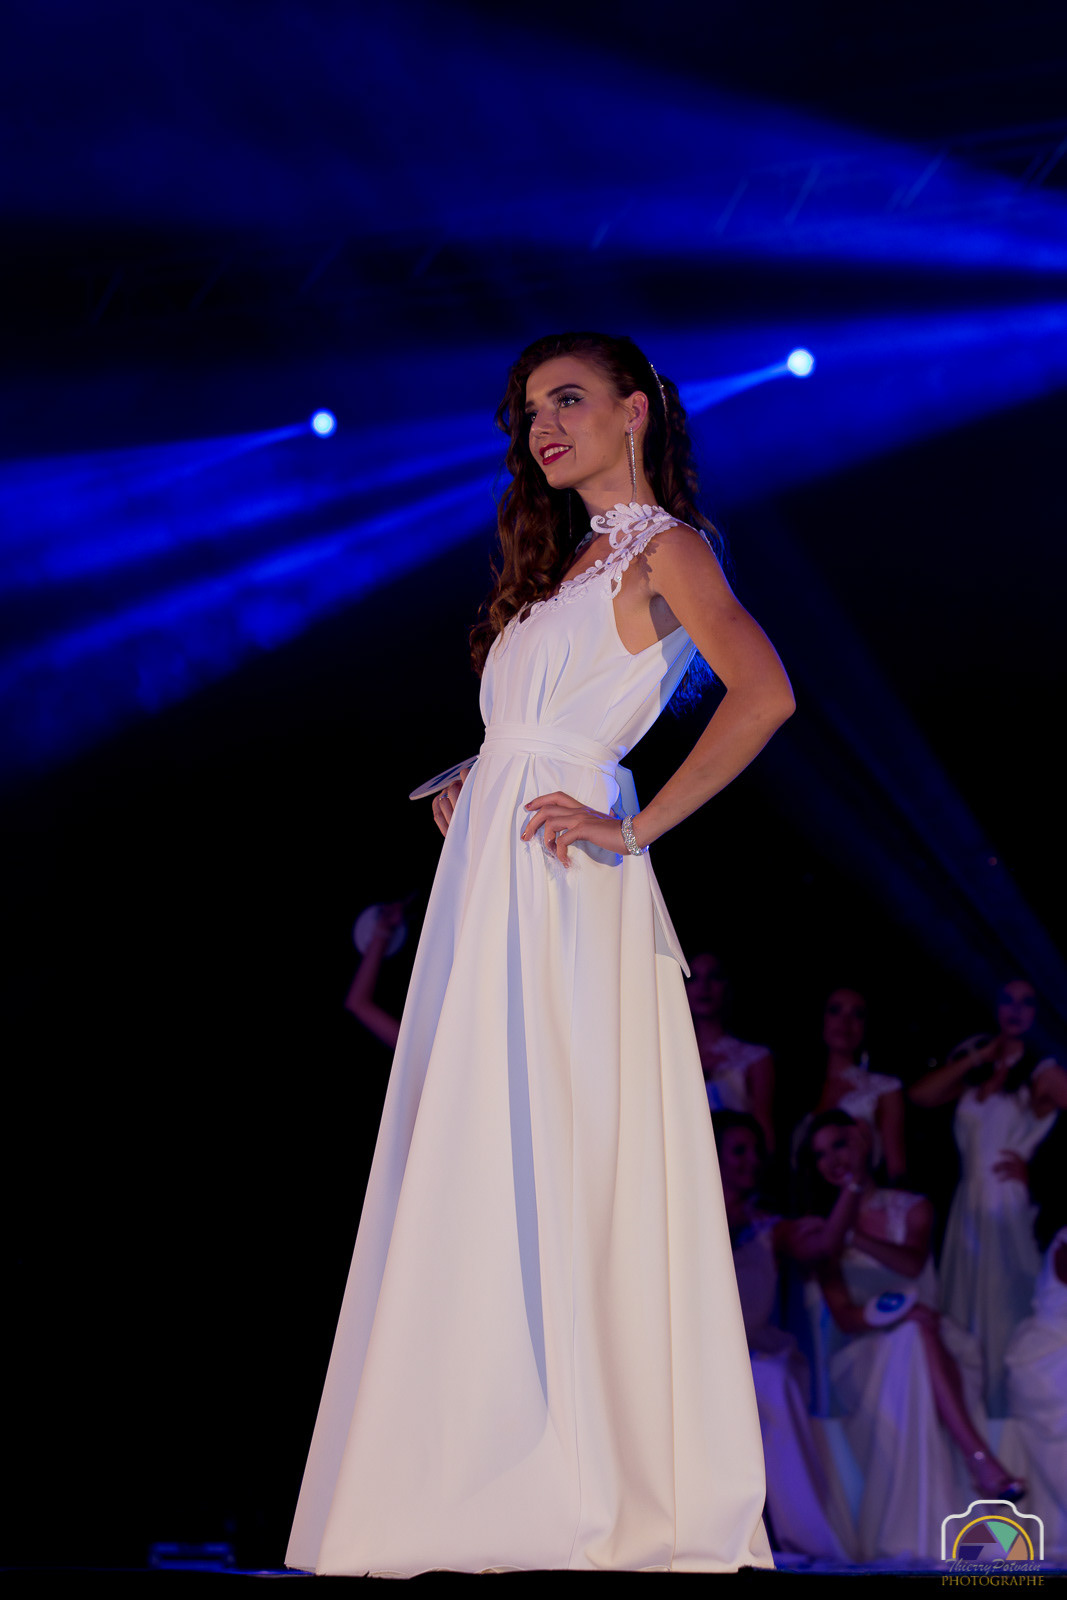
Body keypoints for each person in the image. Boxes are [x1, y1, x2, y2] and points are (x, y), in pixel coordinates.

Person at [286, 331, 796, 1575]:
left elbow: (765, 694)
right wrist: (478, 773)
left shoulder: (666, 546)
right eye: (527, 410)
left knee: (562, 1147)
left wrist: (634, 826)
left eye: (567, 399)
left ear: (637, 410)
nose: (542, 426)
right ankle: (474, 1473)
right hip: (496, 880)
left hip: (569, 889)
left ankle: (582, 1485)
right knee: (487, 1143)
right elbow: (543, 726)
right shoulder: (565, 566)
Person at [798, 1111, 1024, 1563]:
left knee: (916, 1338)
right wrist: (898, 1314)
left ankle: (967, 1477)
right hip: (861, 1355)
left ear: (863, 1142)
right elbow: (845, 1318)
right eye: (820, 1154)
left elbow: (910, 1264)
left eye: (839, 1144)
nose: (833, 1159)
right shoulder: (815, 1230)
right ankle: (979, 1458)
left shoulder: (913, 1207)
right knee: (910, 1337)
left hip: (935, 1342)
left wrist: (850, 1234)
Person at [909, 978, 1061, 1414]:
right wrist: (980, 1056)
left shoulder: (1043, 1071)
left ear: (1039, 1012)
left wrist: (1041, 1177)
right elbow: (920, 1096)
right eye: (1007, 1000)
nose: (1016, 1009)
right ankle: (972, 1413)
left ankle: (1011, 1415)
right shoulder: (976, 1065)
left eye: (1027, 1002)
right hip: (967, 1206)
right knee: (966, 1310)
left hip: (1008, 1204)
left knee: (1006, 1304)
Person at [712, 1111, 854, 1561]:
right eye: (739, 1150)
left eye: (756, 1151)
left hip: (754, 1351)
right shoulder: (681, 1218)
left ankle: (806, 1539)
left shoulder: (768, 1227)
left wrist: (852, 1188)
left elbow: (821, 1246)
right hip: (696, 1356)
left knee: (771, 1380)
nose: (751, 1160)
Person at [791, 988, 906, 1184]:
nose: (845, 1022)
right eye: (835, 1010)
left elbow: (896, 1166)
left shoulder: (885, 1087)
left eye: (857, 1014)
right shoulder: (795, 1084)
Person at [686, 952, 775, 1149]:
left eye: (714, 977)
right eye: (694, 978)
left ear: (727, 985)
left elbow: (763, 1125)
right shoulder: (666, 1056)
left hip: (733, 1159)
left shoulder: (754, 1056)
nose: (704, 987)